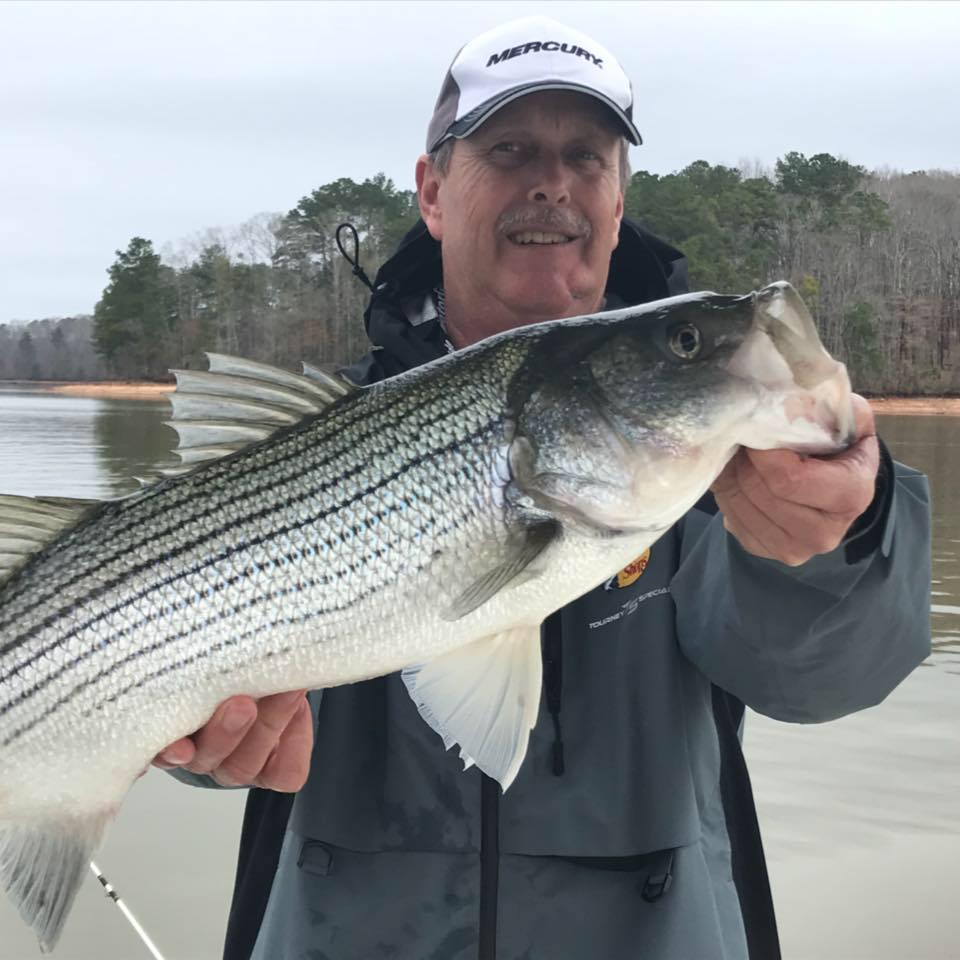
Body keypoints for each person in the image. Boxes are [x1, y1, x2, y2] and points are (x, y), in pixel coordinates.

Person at [156, 16, 932, 960]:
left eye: (586, 156)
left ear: (617, 201)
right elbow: (174, 663)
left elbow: (824, 679)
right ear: (434, 191)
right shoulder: (315, 435)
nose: (552, 183)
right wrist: (195, 744)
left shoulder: (712, 447)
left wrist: (847, 534)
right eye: (510, 148)